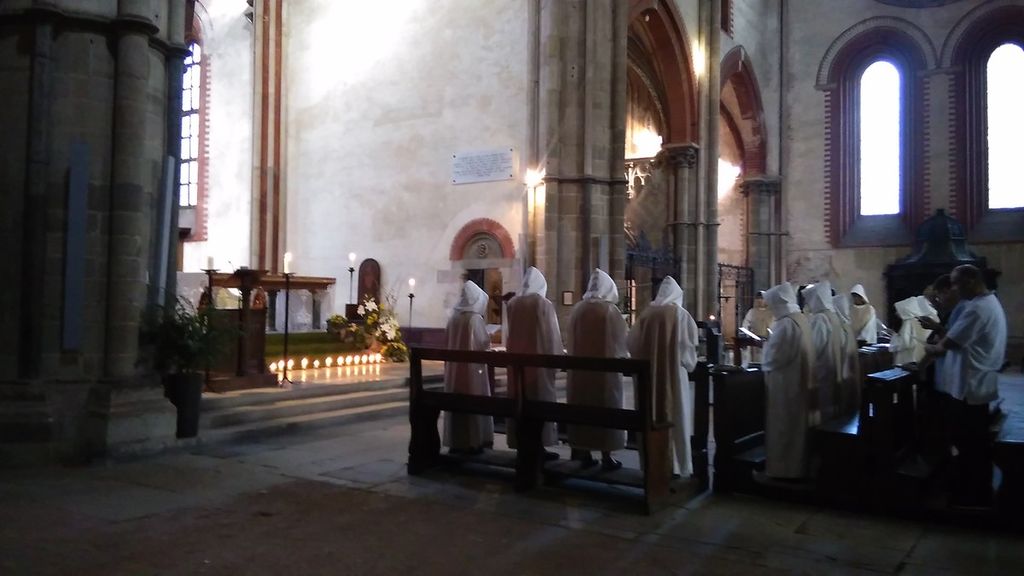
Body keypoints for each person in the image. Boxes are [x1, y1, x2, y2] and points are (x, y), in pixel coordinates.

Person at [925, 265, 1007, 506]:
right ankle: (974, 489)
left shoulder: (977, 309)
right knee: (974, 443)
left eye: (956, 284)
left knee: (969, 444)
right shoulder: (989, 303)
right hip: (978, 385)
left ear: (970, 281)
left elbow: (948, 344)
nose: (954, 289)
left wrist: (928, 348)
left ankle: (971, 495)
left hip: (969, 388)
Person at [627, 276, 699, 478]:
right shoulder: (681, 315)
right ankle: (675, 464)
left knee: (650, 415)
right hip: (673, 377)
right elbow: (688, 353)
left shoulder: (646, 314)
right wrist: (689, 364)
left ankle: (651, 463)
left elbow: (631, 344)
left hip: (648, 379)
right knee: (676, 415)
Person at [567, 269, 628, 470]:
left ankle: (582, 451)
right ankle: (606, 455)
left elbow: (570, 338)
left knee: (583, 409)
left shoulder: (578, 309)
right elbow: (621, 342)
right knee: (605, 409)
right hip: (604, 375)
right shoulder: (610, 311)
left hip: (580, 373)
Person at [505, 267, 562, 459]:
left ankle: (522, 444)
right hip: (538, 366)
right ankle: (539, 447)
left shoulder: (513, 303)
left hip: (517, 365)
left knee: (520, 403)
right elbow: (552, 336)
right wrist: (555, 359)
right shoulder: (543, 304)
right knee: (539, 402)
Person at [762, 281, 816, 479]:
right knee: (795, 427)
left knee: (783, 426)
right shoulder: (801, 319)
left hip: (786, 385)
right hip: (798, 382)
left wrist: (766, 349)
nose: (771, 310)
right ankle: (796, 467)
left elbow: (773, 358)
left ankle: (782, 471)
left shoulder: (785, 324)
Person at [443, 281, 494, 454]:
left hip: (454, 372)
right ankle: (474, 441)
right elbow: (482, 344)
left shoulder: (453, 318)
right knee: (474, 401)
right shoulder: (475, 319)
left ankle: (457, 442)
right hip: (473, 372)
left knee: (457, 404)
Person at [806, 281, 844, 422]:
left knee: (822, 402)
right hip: (833, 364)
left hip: (822, 366)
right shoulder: (833, 316)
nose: (808, 304)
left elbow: (814, 346)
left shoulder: (820, 318)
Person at [890, 296, 931, 366]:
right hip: (923, 357)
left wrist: (894, 337)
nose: (896, 313)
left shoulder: (909, 322)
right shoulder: (927, 319)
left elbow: (904, 342)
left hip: (908, 358)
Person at [740, 292, 772, 365]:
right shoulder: (752, 312)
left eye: (762, 298)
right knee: (754, 360)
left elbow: (773, 325)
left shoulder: (771, 312)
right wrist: (749, 335)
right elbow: (745, 324)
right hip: (754, 340)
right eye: (758, 298)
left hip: (767, 340)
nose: (760, 300)